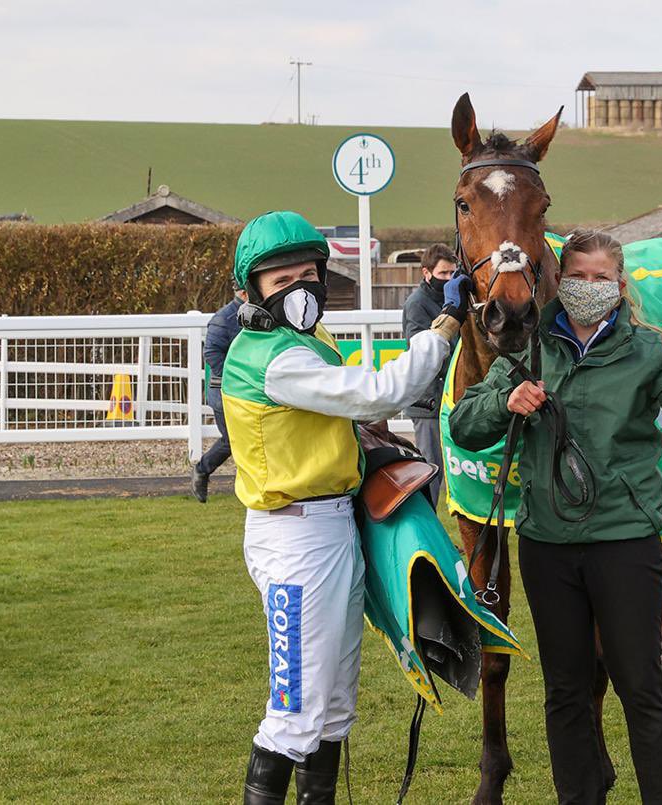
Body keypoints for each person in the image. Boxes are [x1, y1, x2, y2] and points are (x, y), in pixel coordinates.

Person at [449, 229, 662, 805]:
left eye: (601, 277)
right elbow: (463, 426)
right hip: (547, 546)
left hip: (624, 544)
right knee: (566, 692)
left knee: (642, 691)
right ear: (558, 280)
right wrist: (502, 402)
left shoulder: (647, 351)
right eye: (577, 275)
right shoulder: (528, 350)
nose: (588, 286)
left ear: (619, 284)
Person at [221, 211, 469, 805]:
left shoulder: (311, 342)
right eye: (281, 282)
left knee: (334, 709)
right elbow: (380, 391)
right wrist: (445, 325)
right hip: (296, 541)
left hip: (334, 527)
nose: (300, 291)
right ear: (250, 292)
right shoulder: (273, 358)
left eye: (308, 276)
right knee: (295, 713)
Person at [401, 243, 458, 508]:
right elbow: (421, 350)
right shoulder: (417, 304)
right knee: (431, 473)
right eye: (444, 273)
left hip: (450, 396)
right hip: (428, 401)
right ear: (427, 273)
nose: (449, 279)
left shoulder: (452, 300)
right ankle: (428, 537)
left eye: (452, 274)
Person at [192, 280, 248, 502]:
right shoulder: (223, 319)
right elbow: (212, 354)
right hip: (224, 393)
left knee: (241, 440)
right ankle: (202, 470)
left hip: (240, 390)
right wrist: (237, 379)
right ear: (244, 293)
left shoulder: (248, 315)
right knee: (233, 441)